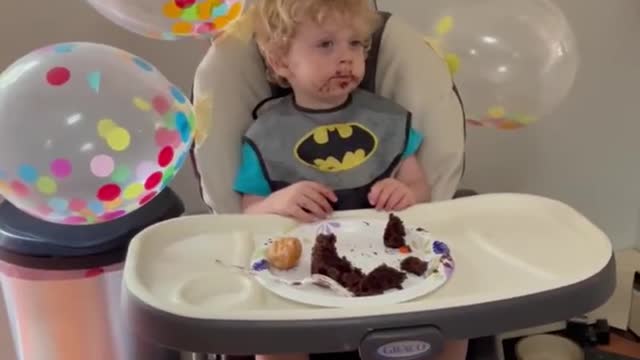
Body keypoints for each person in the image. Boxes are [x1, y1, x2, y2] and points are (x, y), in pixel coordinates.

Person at [232, 0, 468, 359]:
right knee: (273, 337)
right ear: (280, 61)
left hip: (390, 262)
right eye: (326, 44)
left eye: (355, 43)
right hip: (302, 278)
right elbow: (247, 215)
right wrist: (277, 203)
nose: (346, 58)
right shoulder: (267, 135)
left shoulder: (385, 119)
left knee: (459, 314)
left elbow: (421, 187)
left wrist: (404, 192)